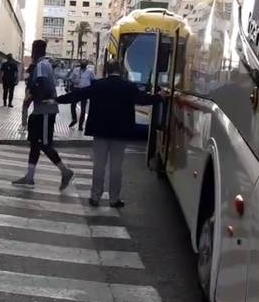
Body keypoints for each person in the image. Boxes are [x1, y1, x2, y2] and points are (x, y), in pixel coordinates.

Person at [57, 60, 163, 208]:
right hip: (120, 132)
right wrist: (160, 96)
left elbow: (78, 95)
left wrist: (56, 100)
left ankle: (95, 196)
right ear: (120, 70)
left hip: (100, 131)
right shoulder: (129, 87)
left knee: (99, 165)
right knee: (116, 167)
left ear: (106, 70)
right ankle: (114, 199)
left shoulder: (98, 85)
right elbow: (143, 100)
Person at [12, 40, 74, 190]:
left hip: (45, 112)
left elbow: (42, 85)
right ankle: (29, 176)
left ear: (34, 51)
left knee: (44, 144)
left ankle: (65, 171)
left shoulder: (41, 65)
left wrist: (31, 96)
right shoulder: (44, 65)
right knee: (35, 143)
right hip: (40, 111)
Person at [66, 60, 95, 130]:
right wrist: (73, 81)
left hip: (85, 91)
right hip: (76, 89)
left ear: (86, 65)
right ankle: (74, 118)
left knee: (83, 108)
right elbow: (70, 78)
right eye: (82, 64)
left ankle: (80, 125)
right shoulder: (76, 70)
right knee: (73, 105)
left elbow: (93, 80)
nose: (83, 65)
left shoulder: (90, 72)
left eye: (84, 64)